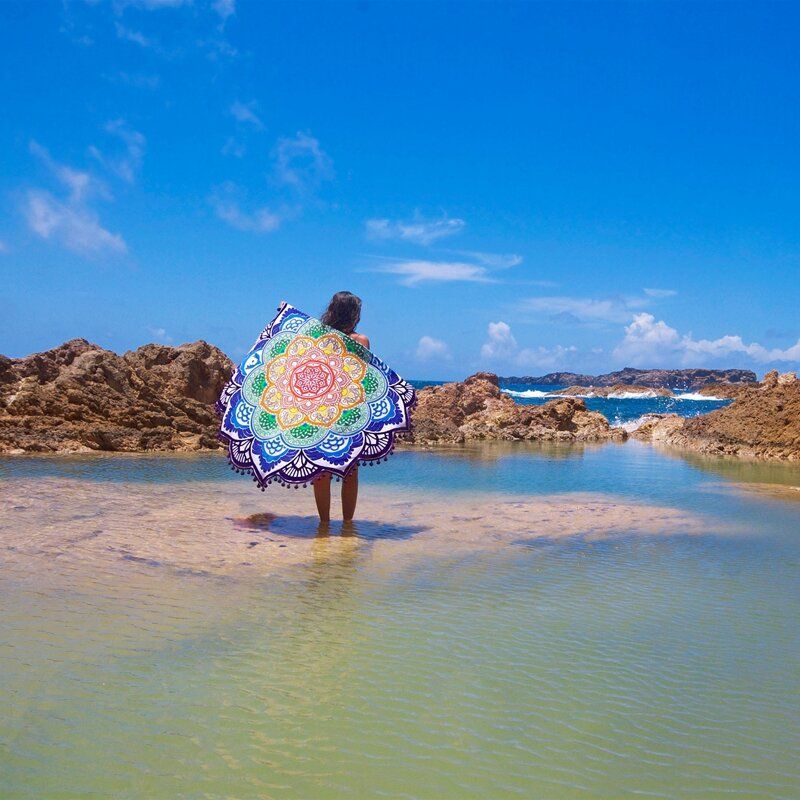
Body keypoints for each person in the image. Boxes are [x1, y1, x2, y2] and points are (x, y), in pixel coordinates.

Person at [313, 291, 370, 524]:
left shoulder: (317, 339)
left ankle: (324, 524)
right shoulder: (361, 341)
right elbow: (364, 376)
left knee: (321, 472)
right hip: (348, 410)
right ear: (354, 314)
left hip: (319, 409)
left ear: (332, 311)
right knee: (350, 471)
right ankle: (347, 526)